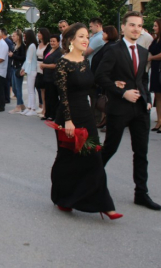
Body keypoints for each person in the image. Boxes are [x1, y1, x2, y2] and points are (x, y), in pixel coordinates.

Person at [51, 23, 121, 219]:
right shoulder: (63, 63)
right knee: (67, 159)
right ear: (71, 40)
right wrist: (68, 121)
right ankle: (62, 197)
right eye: (81, 36)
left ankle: (104, 204)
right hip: (68, 118)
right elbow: (62, 95)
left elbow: (89, 86)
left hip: (86, 116)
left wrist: (113, 84)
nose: (85, 40)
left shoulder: (84, 61)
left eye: (87, 37)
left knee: (93, 158)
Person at [95, 11, 161, 211]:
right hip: (119, 108)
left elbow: (142, 78)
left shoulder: (143, 52)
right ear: (123, 27)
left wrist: (147, 99)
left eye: (139, 26)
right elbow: (100, 76)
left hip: (140, 109)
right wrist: (122, 92)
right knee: (110, 149)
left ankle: (141, 193)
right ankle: (88, 180)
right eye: (132, 25)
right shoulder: (113, 50)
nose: (135, 29)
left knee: (141, 152)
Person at [91, 26, 119, 132]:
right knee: (105, 101)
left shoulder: (111, 46)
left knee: (107, 101)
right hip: (101, 77)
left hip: (107, 78)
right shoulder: (107, 45)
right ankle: (104, 120)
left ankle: (108, 122)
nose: (102, 34)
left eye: (105, 33)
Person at [41, 34, 62, 121]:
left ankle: (53, 115)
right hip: (46, 76)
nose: (52, 43)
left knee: (53, 96)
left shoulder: (59, 51)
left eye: (54, 41)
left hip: (53, 77)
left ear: (58, 42)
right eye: (51, 41)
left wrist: (44, 65)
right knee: (47, 96)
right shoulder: (49, 49)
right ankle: (47, 113)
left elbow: (56, 65)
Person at [21, 30, 38, 116]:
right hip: (30, 69)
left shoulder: (32, 46)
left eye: (25, 36)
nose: (24, 38)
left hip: (32, 70)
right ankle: (29, 107)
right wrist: (23, 68)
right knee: (30, 89)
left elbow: (29, 60)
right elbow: (27, 59)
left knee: (31, 90)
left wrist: (24, 70)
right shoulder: (31, 45)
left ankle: (33, 108)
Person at [9, 29, 26, 114]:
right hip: (14, 67)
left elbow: (23, 57)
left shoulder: (22, 46)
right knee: (14, 88)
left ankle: (18, 106)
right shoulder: (15, 45)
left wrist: (13, 55)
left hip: (18, 68)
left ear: (18, 37)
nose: (12, 37)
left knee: (17, 88)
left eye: (14, 36)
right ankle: (21, 104)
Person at [35, 28, 51, 116]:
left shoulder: (48, 45)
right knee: (41, 89)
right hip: (38, 67)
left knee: (45, 90)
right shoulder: (39, 44)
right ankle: (43, 108)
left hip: (44, 67)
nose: (38, 35)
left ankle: (46, 109)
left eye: (39, 33)